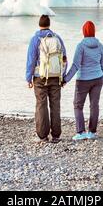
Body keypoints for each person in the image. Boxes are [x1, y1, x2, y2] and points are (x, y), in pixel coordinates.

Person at [26, 14, 67, 143]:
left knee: (41, 105)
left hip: (40, 77)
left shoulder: (35, 39)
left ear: (39, 25)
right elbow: (64, 58)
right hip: (56, 76)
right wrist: (63, 76)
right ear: (49, 24)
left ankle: (43, 135)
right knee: (55, 105)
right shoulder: (57, 38)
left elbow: (31, 60)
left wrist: (28, 77)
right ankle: (56, 135)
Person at [63, 20, 103, 141]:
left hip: (83, 80)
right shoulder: (100, 45)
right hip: (98, 79)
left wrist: (65, 79)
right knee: (94, 105)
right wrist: (102, 76)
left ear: (84, 32)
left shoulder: (81, 46)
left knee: (78, 105)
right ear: (94, 31)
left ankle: (81, 132)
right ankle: (92, 132)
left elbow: (76, 65)